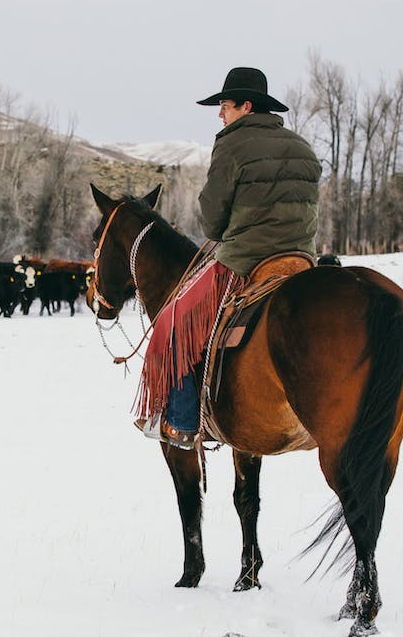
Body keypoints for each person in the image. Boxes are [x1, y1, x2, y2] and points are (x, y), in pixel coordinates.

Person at [136, 67, 321, 448]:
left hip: (247, 258)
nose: (220, 115)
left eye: (224, 106)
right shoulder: (302, 146)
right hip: (301, 258)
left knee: (173, 322)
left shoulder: (232, 144)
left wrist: (222, 230)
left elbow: (213, 220)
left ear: (245, 106)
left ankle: (182, 422)